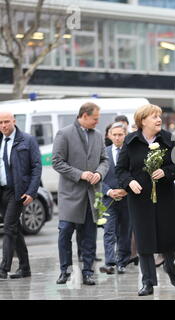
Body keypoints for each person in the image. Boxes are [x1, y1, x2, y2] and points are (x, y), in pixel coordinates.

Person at [115, 104, 175, 296]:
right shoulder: (130, 141)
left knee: (167, 237)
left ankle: (170, 267)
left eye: (159, 116)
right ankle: (148, 282)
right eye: (154, 116)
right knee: (144, 241)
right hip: (140, 199)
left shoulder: (169, 139)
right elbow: (120, 170)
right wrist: (129, 183)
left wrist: (166, 171)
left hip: (165, 197)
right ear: (142, 120)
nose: (159, 120)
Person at [52, 102, 109, 286]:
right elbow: (57, 162)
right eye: (95, 119)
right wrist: (80, 174)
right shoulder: (64, 133)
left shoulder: (98, 135)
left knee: (89, 236)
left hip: (92, 194)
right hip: (70, 195)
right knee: (65, 233)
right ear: (84, 116)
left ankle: (88, 272)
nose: (97, 122)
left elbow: (104, 160)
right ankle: (65, 270)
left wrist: (99, 173)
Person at [0, 112, 42, 280]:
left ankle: (3, 268)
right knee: (14, 228)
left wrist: (31, 191)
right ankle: (25, 268)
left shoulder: (27, 140)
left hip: (17, 192)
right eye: (1, 122)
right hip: (1, 191)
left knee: (8, 228)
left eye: (6, 122)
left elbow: (36, 167)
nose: (3, 125)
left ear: (14, 122)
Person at [99, 122, 131, 275]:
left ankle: (122, 262)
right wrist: (109, 191)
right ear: (109, 135)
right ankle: (110, 262)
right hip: (109, 198)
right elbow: (98, 177)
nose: (117, 138)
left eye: (120, 135)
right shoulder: (103, 153)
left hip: (127, 198)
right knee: (108, 230)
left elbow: (134, 174)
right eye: (115, 135)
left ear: (125, 135)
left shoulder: (130, 152)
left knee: (125, 231)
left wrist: (126, 190)